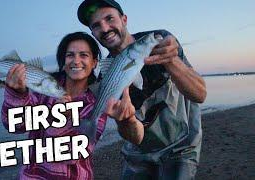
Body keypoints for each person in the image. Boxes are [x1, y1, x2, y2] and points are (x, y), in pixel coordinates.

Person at [77, 0, 207, 179]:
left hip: (182, 145)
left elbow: (200, 95)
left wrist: (171, 61)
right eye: (97, 25)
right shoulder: (105, 77)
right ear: (93, 34)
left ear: (124, 19)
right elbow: (135, 138)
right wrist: (126, 120)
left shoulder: (161, 41)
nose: (105, 28)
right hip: (138, 151)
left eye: (109, 18)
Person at [1, 32, 107, 179]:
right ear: (63, 60)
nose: (76, 61)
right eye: (70, 55)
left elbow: (74, 153)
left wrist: (60, 119)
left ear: (94, 62)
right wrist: (17, 94)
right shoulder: (43, 90)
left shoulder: (98, 102)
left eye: (84, 55)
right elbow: (15, 125)